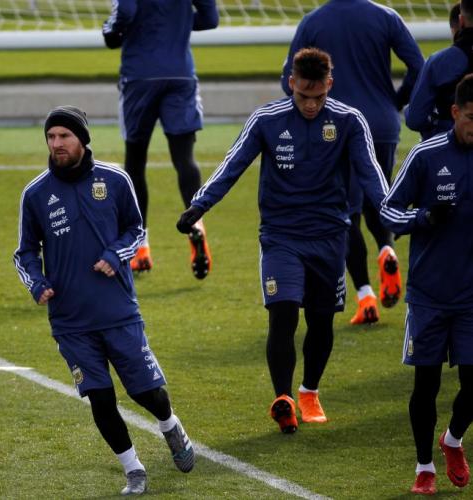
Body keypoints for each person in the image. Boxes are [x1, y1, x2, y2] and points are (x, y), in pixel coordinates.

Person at [177, 49, 389, 433]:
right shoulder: (267, 119)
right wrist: (199, 205)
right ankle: (284, 399)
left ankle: (310, 392)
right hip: (281, 237)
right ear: (291, 83)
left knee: (321, 320)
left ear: (330, 85)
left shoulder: (348, 120)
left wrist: (392, 214)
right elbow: (232, 164)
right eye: (303, 95)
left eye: (318, 96)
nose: (310, 105)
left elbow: (371, 175)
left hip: (329, 237)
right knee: (284, 312)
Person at [14, 105, 195, 495]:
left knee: (145, 392)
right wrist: (36, 283)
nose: (56, 144)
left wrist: (115, 256)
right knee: (100, 397)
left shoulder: (114, 180)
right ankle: (133, 469)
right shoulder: (36, 194)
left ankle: (169, 424)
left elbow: (136, 229)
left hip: (118, 312)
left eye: (64, 136)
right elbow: (24, 252)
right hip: (71, 321)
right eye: (51, 137)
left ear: (82, 138)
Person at [280, 0, 423, 325]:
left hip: (336, 128)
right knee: (378, 197)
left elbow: (289, 77)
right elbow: (419, 66)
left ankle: (365, 295)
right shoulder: (386, 16)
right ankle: (386, 250)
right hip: (382, 124)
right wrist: (395, 101)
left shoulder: (313, 21)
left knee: (344, 213)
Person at [380, 74, 473, 496]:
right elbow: (388, 210)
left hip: (471, 297)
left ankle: (453, 438)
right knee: (426, 385)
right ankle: (424, 467)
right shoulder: (426, 155)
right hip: (430, 295)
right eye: (471, 118)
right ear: (455, 113)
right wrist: (424, 217)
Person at [102, 0, 218, 279]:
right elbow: (210, 18)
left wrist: (110, 30)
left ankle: (139, 247)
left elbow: (125, 11)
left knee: (135, 161)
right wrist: (175, 26)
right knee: (184, 159)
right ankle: (196, 225)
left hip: (140, 75)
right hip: (180, 72)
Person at [406, 1, 471, 141]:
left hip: (449, 145)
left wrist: (437, 124)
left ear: (461, 21)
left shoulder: (439, 62)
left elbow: (415, 119)